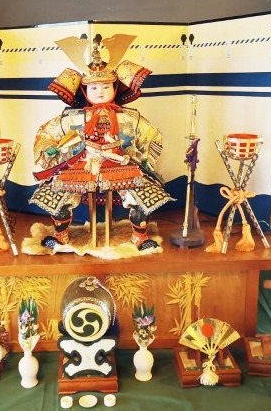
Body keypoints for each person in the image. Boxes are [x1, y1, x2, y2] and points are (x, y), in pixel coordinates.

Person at [29, 34, 174, 251]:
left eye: (106, 87)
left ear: (115, 88)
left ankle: (140, 238)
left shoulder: (129, 118)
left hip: (119, 164)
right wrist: (48, 149)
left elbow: (152, 136)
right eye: (94, 88)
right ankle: (61, 236)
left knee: (143, 195)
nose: (100, 92)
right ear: (85, 90)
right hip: (82, 165)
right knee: (57, 194)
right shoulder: (71, 118)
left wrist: (145, 160)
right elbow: (46, 135)